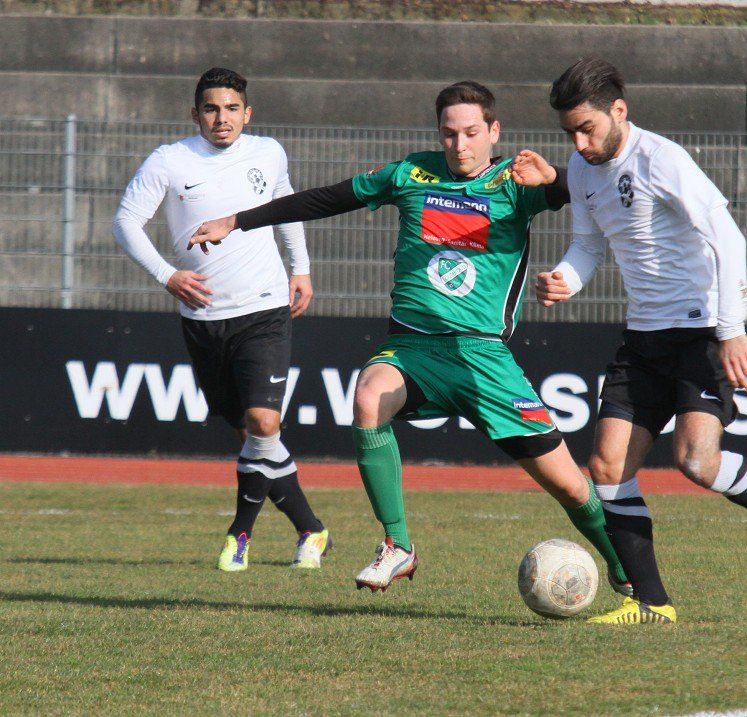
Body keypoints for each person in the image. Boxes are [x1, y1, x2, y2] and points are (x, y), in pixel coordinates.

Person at [189, 81, 630, 598]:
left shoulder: (516, 180)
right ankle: (397, 544)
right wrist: (236, 221)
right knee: (369, 395)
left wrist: (554, 178)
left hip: (482, 356)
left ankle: (628, 573)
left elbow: (592, 191)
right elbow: (325, 199)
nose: (460, 145)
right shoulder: (411, 174)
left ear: (494, 132)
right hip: (413, 347)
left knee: (570, 486)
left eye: (471, 133)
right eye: (449, 134)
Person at [529, 58, 747, 625]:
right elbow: (589, 246)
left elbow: (728, 238)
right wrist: (565, 280)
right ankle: (651, 603)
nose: (579, 144)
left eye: (587, 129)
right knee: (607, 466)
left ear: (618, 111)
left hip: (701, 333)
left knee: (696, 462)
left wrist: (731, 330)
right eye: (570, 133)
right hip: (643, 337)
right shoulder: (580, 168)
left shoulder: (662, 159)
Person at [112, 67, 331, 572]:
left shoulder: (268, 152)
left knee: (263, 422)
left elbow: (286, 209)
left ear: (247, 113)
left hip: (264, 308)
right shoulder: (169, 160)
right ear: (195, 114)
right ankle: (310, 529)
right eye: (211, 109)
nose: (222, 118)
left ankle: (239, 535)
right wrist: (168, 275)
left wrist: (301, 268)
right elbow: (126, 221)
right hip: (204, 317)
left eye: (232, 108)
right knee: (253, 437)